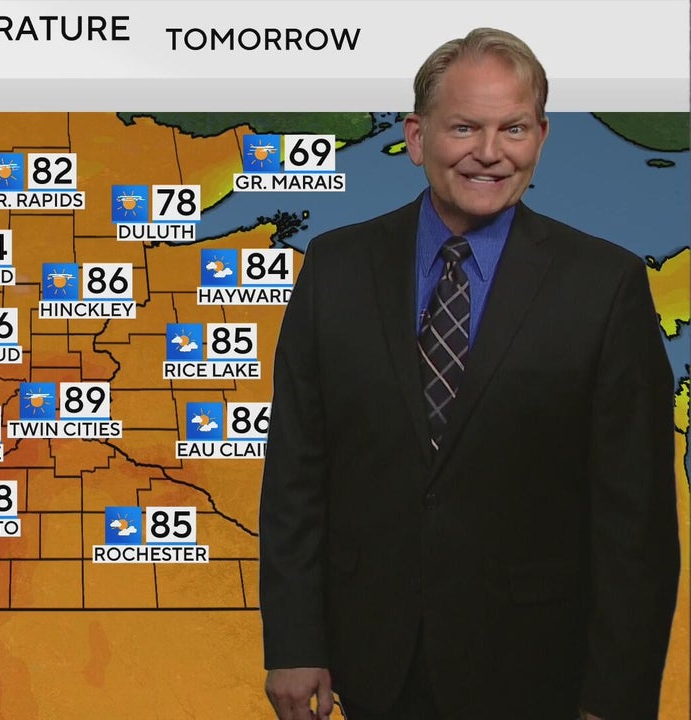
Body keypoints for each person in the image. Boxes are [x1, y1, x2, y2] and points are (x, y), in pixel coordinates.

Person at [258, 27, 680, 720]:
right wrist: (295, 641)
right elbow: (297, 473)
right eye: (464, 127)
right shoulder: (336, 268)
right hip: (372, 664)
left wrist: (618, 697)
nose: (490, 152)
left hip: (539, 672)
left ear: (541, 137)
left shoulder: (605, 286)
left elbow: (636, 523)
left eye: (514, 128)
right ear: (417, 137)